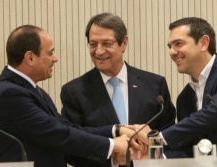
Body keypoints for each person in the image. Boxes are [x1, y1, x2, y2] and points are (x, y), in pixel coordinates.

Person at [0, 25, 144, 167]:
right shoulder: (8, 95)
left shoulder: (32, 91)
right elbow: (58, 134)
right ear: (30, 58)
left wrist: (115, 130)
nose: (55, 58)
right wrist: (112, 146)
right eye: (50, 53)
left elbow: (67, 127)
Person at [60, 12, 176, 166]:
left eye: (107, 43)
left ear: (124, 43)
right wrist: (112, 158)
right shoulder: (74, 92)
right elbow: (71, 147)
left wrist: (151, 156)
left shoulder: (154, 85)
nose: (99, 51)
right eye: (93, 44)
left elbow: (171, 138)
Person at [160, 17, 217, 158]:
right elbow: (190, 148)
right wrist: (157, 155)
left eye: (178, 43)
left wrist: (160, 138)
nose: (171, 52)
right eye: (169, 46)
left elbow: (213, 113)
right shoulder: (184, 98)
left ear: (203, 43)